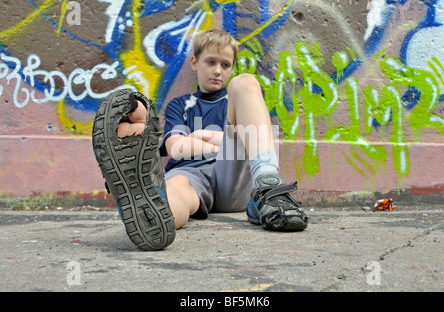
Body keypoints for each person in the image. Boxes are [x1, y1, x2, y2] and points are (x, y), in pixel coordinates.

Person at [92, 29, 308, 251]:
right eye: (210, 62)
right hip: (190, 175)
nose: (217, 71)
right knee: (174, 189)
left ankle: (268, 188)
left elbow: (259, 140)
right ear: (194, 62)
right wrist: (224, 142)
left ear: (231, 67)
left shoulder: (235, 101)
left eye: (225, 65)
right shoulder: (180, 104)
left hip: (233, 178)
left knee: (246, 83)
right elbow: (176, 149)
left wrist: (199, 136)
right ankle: (148, 214)